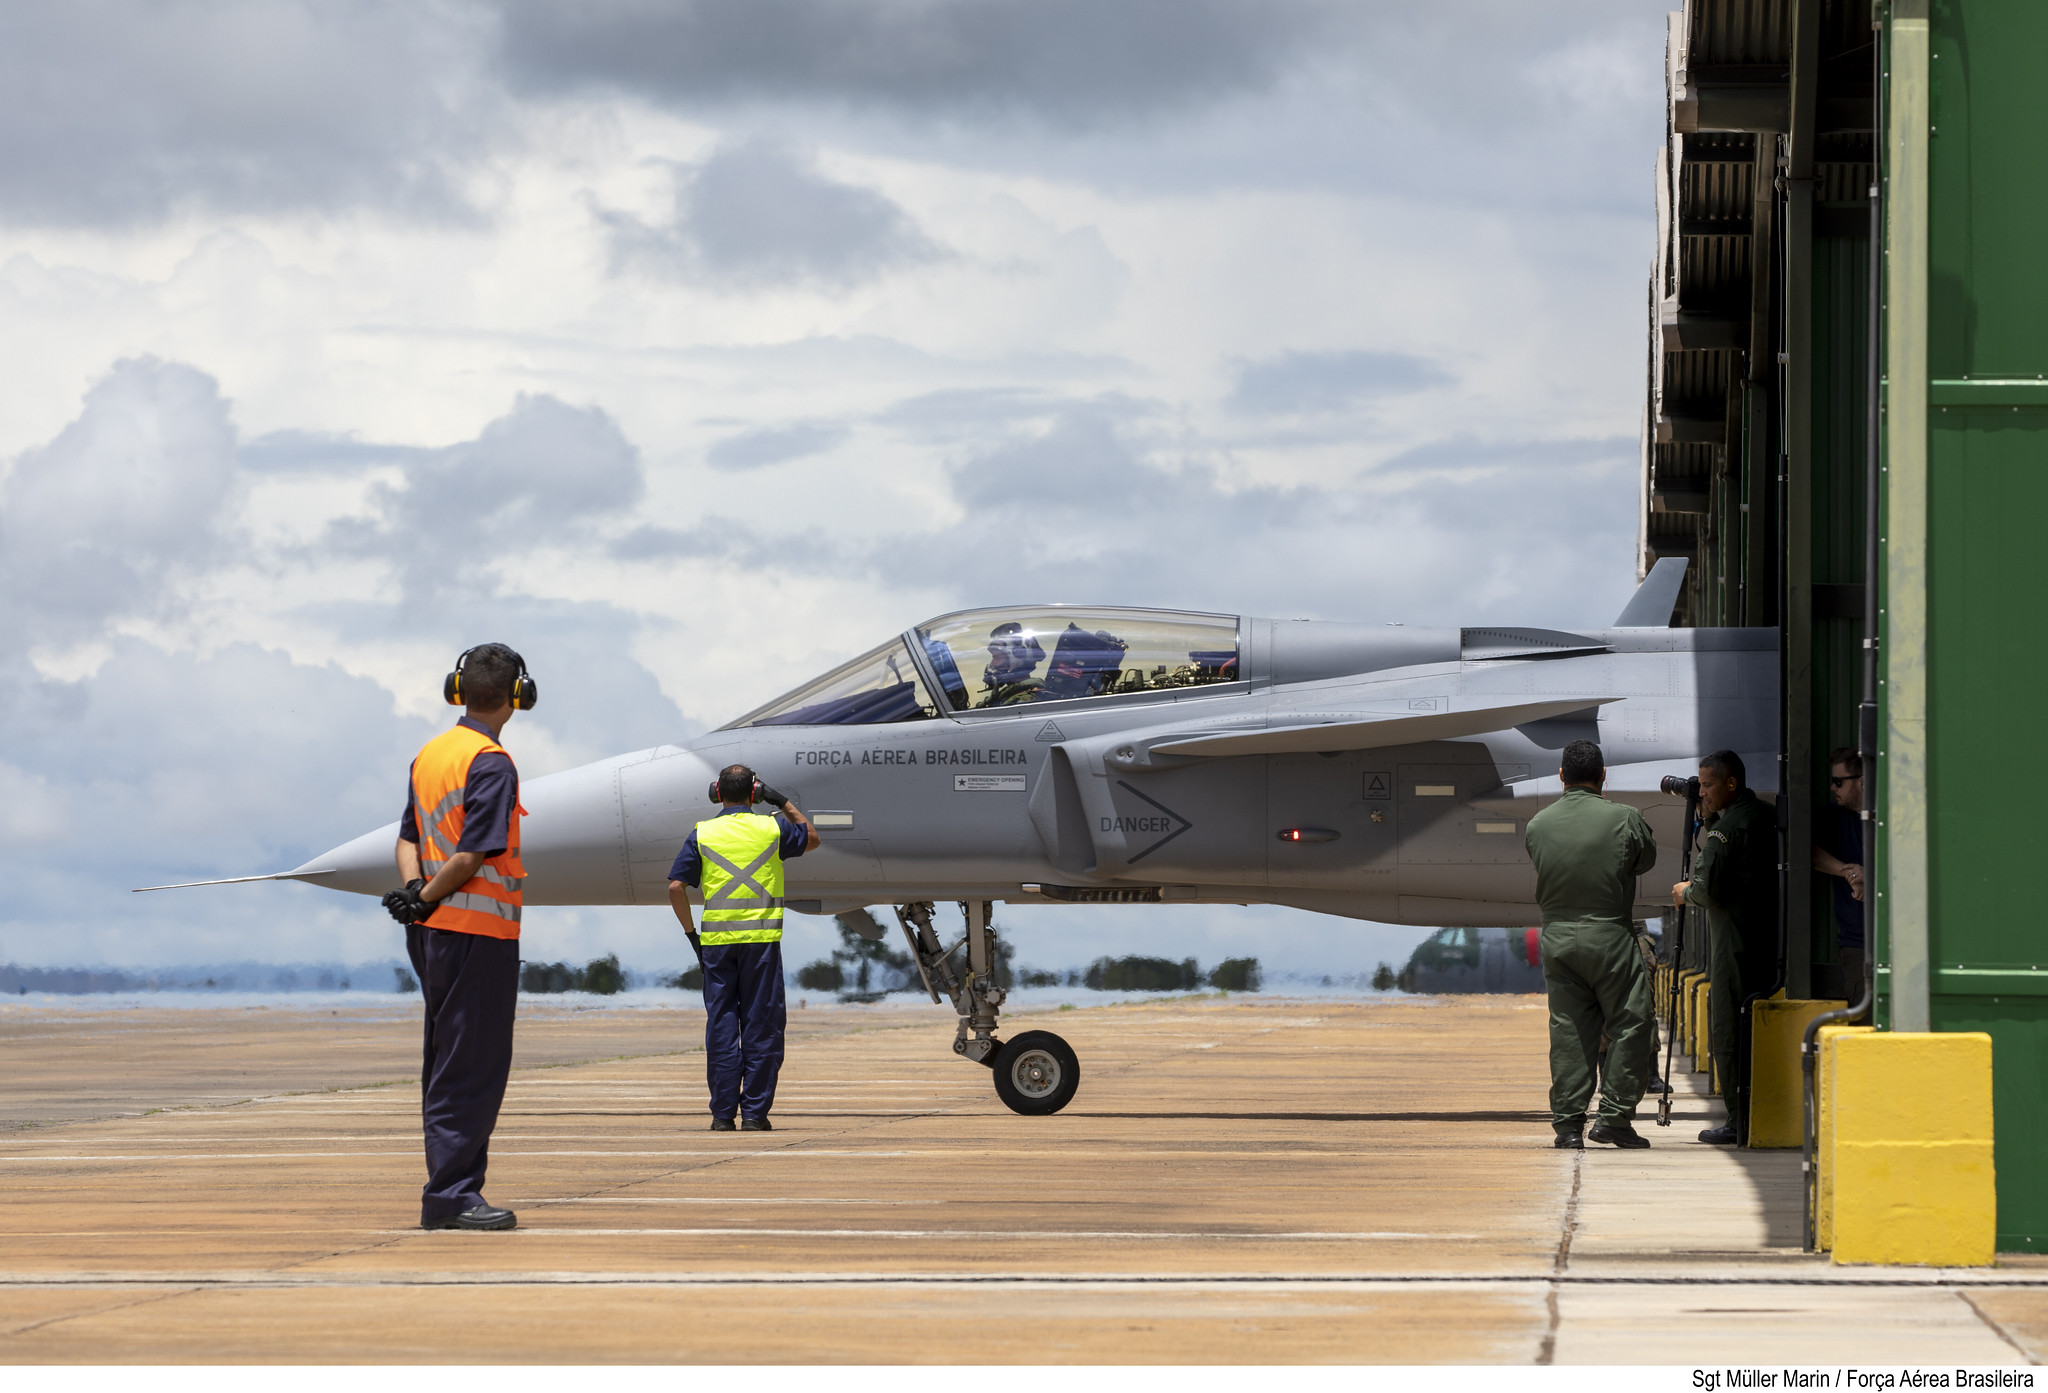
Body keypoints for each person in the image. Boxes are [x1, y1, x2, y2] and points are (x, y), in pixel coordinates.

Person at [380, 643, 536, 1231]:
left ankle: (452, 1188)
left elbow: (407, 838)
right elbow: (474, 852)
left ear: (457, 689)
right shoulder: (490, 761)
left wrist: (414, 892)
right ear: (518, 698)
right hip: (477, 931)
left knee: (447, 1060)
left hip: (433, 932)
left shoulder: (430, 755)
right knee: (472, 1064)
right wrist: (425, 895)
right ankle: (451, 1196)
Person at [1523, 738, 1660, 1150]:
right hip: (1610, 936)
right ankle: (1613, 1118)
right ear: (1603, 776)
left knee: (1568, 1031)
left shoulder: (1538, 825)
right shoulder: (1625, 818)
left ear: (1561, 775)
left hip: (1558, 940)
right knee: (1633, 1023)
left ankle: (1567, 1127)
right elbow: (1646, 860)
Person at [667, 764, 819, 1131]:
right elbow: (811, 837)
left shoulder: (702, 833)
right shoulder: (771, 828)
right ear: (755, 793)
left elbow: (676, 887)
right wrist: (780, 800)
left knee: (721, 1026)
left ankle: (722, 1116)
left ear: (717, 792)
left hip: (717, 946)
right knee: (762, 1026)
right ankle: (753, 1114)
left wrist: (693, 938)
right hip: (761, 945)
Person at [1672, 748, 1777, 1146]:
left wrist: (1686, 891)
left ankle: (1738, 1119)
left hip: (1732, 943)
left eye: (1708, 784)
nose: (1703, 792)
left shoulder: (1725, 830)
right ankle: (1750, 1114)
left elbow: (1709, 889)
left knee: (1726, 1027)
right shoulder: (1761, 815)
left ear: (1731, 783)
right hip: (1761, 936)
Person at [1812, 747, 1868, 998]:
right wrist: (1849, 873)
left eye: (1838, 782)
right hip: (1856, 943)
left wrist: (1871, 876)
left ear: (1862, 782)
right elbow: (1809, 853)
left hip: (1902, 942)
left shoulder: (1892, 817)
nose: (1833, 788)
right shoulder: (1833, 818)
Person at [978, 622, 1047, 707]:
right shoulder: (1012, 695)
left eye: (997, 658)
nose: (992, 663)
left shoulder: (1024, 701)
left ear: (1017, 660)